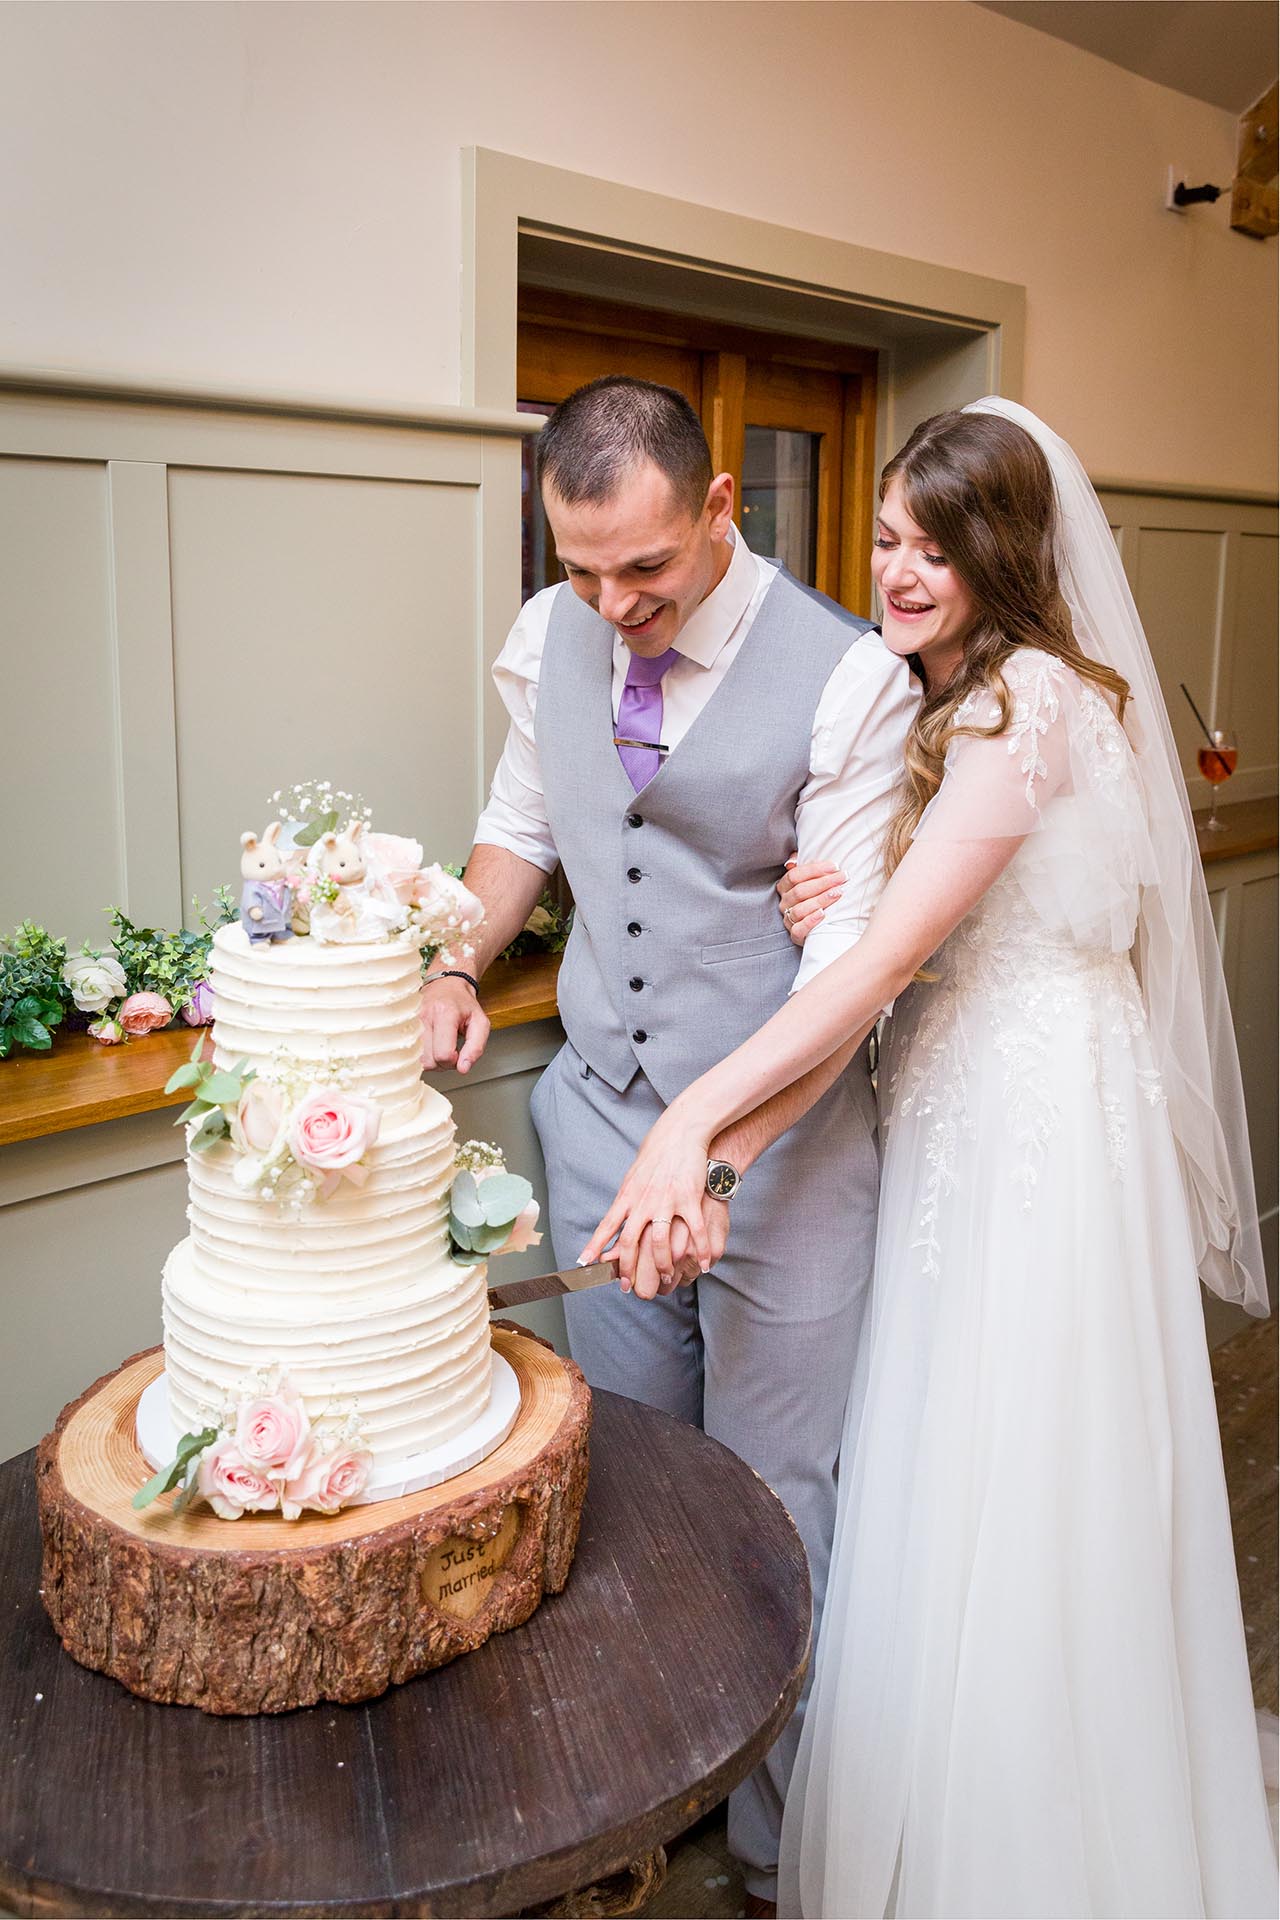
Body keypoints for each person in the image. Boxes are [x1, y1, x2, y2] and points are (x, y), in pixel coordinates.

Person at [581, 400, 1276, 1918]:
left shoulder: (1031, 705)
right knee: (933, 1455)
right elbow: (915, 921)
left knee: (1021, 1462)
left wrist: (697, 1121)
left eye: (934, 549)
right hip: (959, 1096)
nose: (898, 572)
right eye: (888, 539)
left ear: (1003, 555)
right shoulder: (957, 700)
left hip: (1034, 1122)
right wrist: (730, 1148)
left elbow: (886, 967)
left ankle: (1022, 1826)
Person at [418, 375, 918, 1910]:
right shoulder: (552, 629)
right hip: (594, 1120)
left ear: (721, 509)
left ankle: (775, 1850)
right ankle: (645, 1808)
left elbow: (849, 975)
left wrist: (711, 1152)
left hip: (787, 1151)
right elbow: (527, 824)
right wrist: (454, 961)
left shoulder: (850, 680)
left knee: (775, 1498)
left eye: (645, 568)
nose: (613, 602)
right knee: (629, 1479)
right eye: (581, 570)